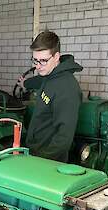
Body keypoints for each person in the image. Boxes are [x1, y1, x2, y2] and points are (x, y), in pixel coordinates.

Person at [19, 31, 83, 162]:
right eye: (35, 60)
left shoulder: (67, 88)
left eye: (43, 61)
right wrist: (25, 83)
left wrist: (43, 161)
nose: (37, 66)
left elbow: (64, 137)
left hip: (48, 161)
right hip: (35, 152)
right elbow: (39, 80)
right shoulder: (49, 75)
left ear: (56, 56)